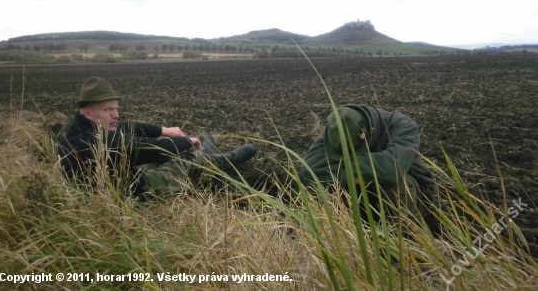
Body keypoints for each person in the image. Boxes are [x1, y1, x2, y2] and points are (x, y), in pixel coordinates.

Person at [57, 77, 257, 199]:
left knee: (163, 154)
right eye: (108, 110)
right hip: (134, 192)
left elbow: (128, 127)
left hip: (120, 176)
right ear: (88, 112)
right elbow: (151, 148)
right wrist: (188, 142)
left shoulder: (76, 127)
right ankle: (218, 159)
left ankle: (206, 150)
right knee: (187, 158)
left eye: (116, 109)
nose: (116, 115)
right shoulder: (94, 143)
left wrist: (165, 130)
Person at [300, 105, 436, 218]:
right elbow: (308, 168)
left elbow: (390, 168)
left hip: (415, 199)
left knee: (392, 181)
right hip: (364, 199)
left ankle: (405, 237)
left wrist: (341, 167)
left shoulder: (404, 126)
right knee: (327, 184)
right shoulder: (336, 131)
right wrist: (354, 178)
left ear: (370, 131)